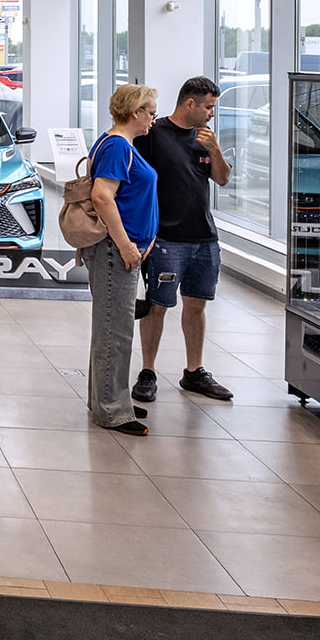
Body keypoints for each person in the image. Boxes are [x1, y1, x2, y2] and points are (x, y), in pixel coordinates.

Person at [132, 77, 235, 404]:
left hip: (204, 237)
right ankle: (148, 371)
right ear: (190, 103)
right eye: (208, 107)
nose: (212, 114)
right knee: (157, 306)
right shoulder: (155, 133)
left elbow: (222, 178)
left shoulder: (205, 138)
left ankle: (194, 371)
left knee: (197, 304)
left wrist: (214, 149)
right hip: (166, 238)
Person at [80, 83, 160, 437]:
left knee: (111, 329)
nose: (154, 119)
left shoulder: (120, 144)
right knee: (116, 332)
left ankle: (108, 398)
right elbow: (102, 197)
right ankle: (112, 410)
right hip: (115, 252)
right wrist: (126, 244)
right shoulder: (116, 147)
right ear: (135, 113)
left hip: (121, 250)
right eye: (151, 113)